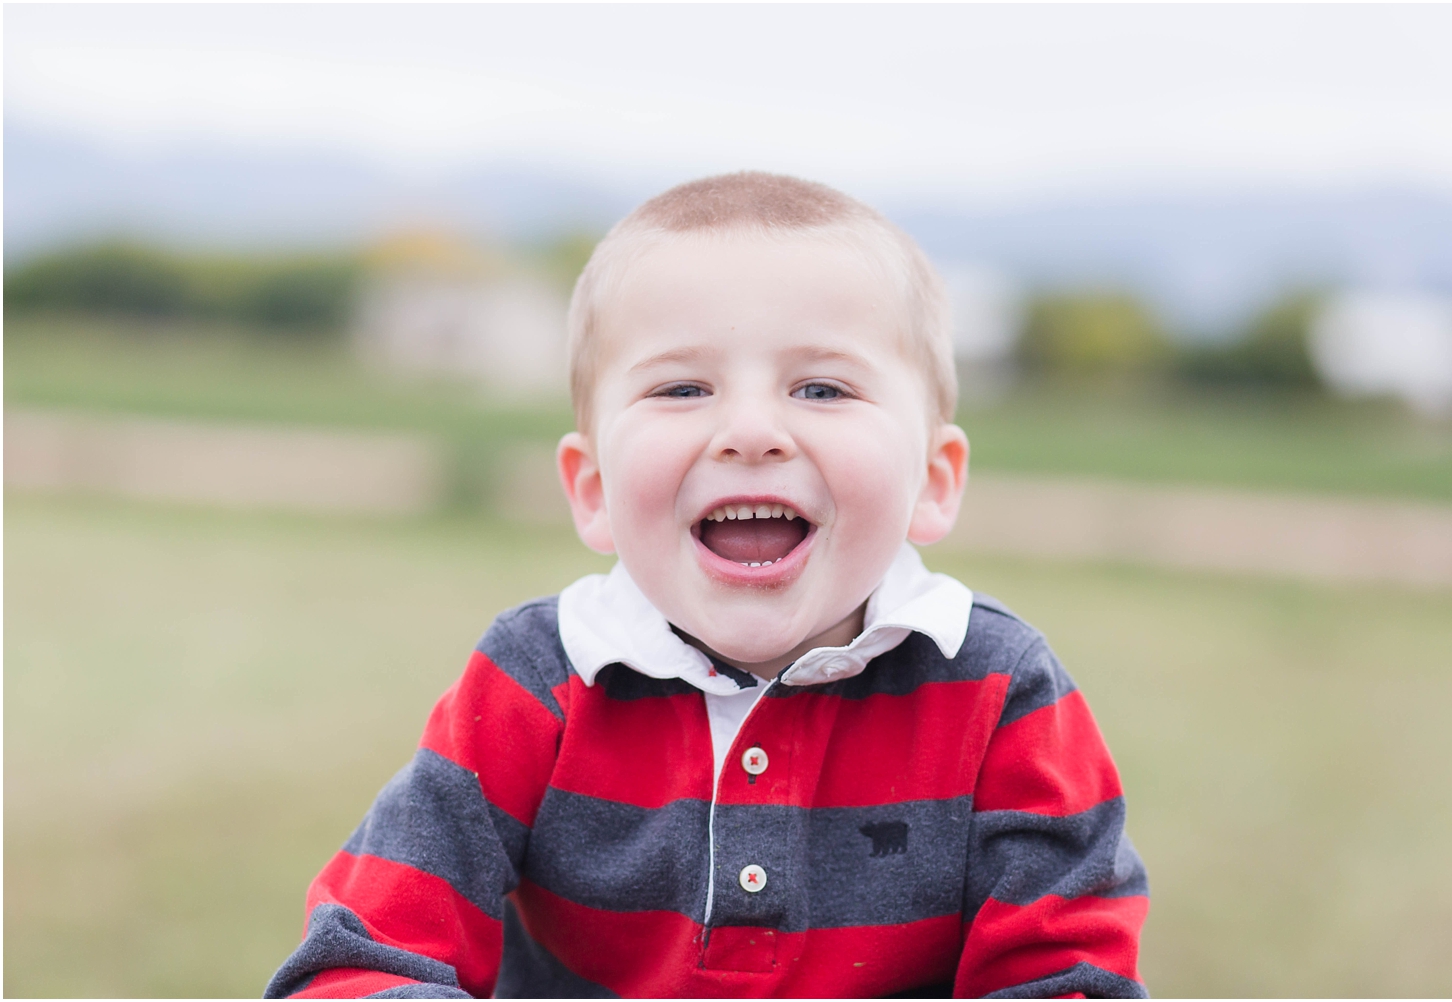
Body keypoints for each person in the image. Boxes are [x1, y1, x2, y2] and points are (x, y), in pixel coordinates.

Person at [266, 172, 1148, 999]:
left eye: (822, 386)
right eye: (684, 387)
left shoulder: (1001, 692)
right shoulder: (536, 681)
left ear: (933, 478)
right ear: (595, 491)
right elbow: (357, 959)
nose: (752, 431)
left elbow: (1065, 976)